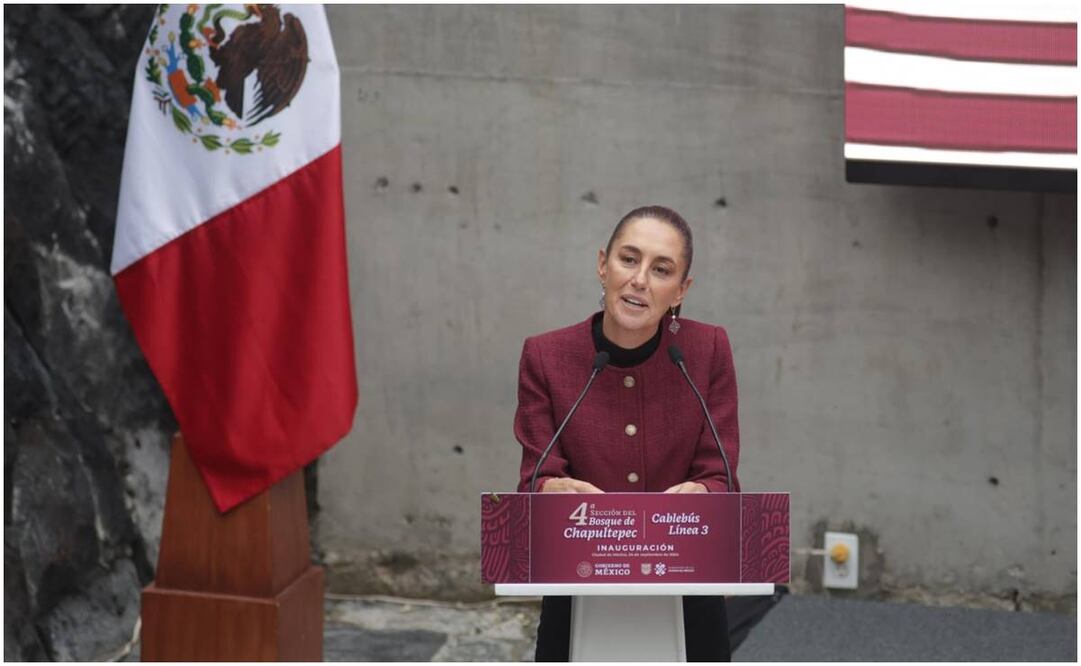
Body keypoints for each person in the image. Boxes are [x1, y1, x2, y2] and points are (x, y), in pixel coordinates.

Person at [514, 205, 741, 661]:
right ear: (603, 265)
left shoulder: (707, 350)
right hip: (577, 584)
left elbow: (722, 477)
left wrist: (704, 491)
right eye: (628, 259)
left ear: (681, 290)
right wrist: (551, 487)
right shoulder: (546, 356)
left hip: (689, 584)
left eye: (661, 269)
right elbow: (533, 483)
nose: (640, 279)